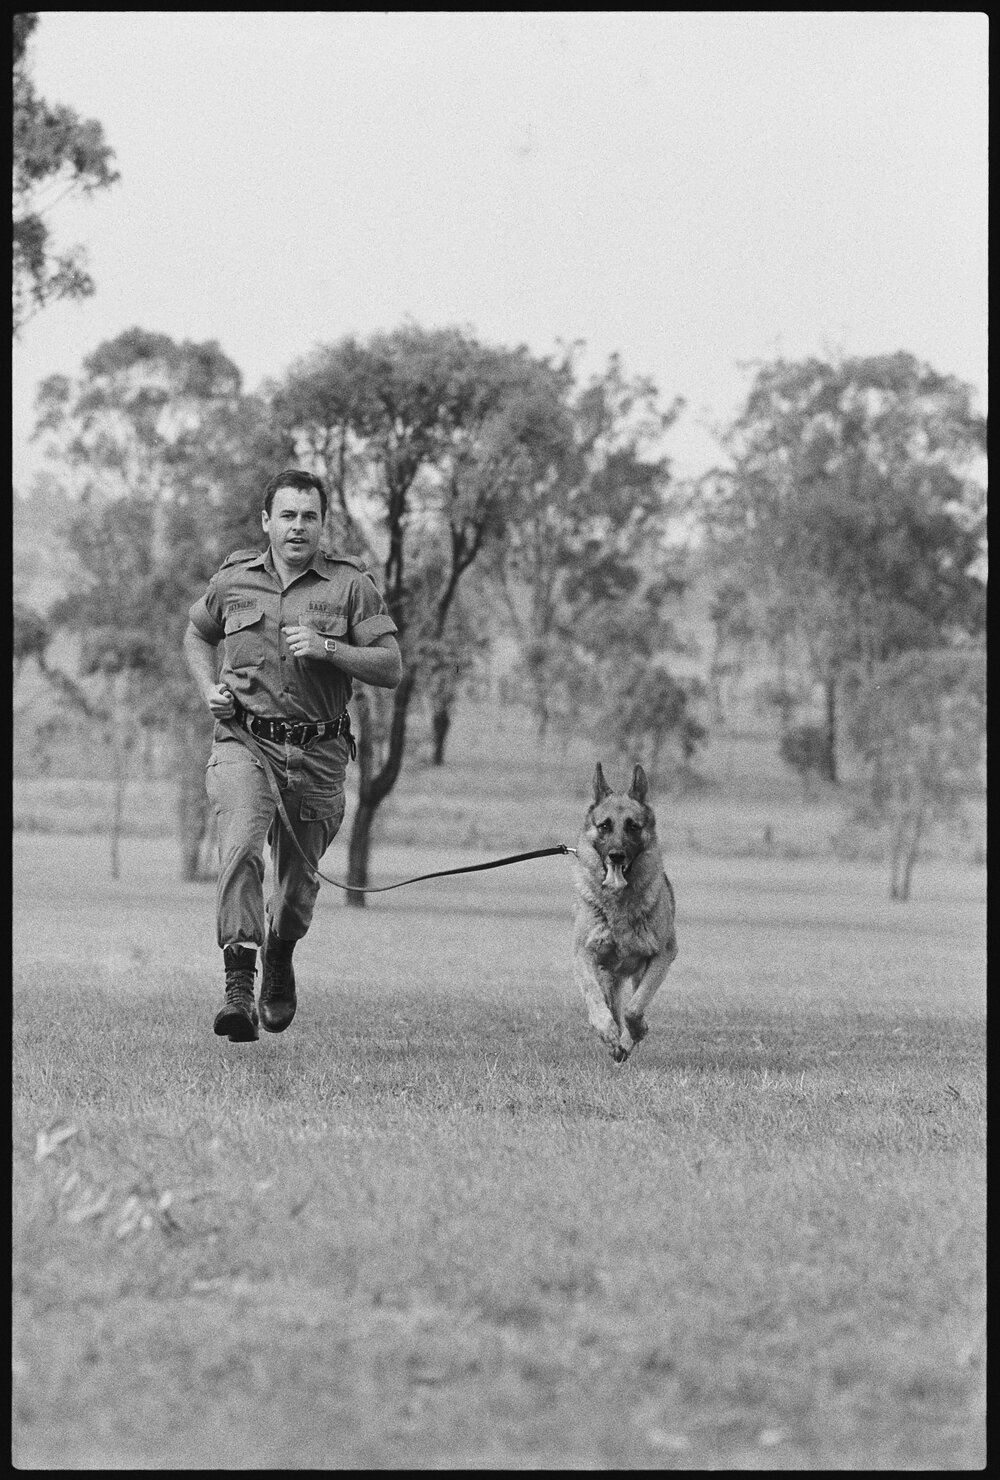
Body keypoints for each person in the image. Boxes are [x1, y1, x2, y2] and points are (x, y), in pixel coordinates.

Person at [183, 468, 402, 1043]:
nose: (298, 526)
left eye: (309, 516)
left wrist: (332, 648)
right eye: (287, 515)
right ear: (267, 522)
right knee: (241, 849)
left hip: (318, 753)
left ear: (322, 523)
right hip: (244, 741)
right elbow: (196, 633)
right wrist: (208, 686)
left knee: (298, 888)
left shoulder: (352, 586)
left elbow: (390, 667)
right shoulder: (234, 580)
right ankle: (238, 981)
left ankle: (280, 950)